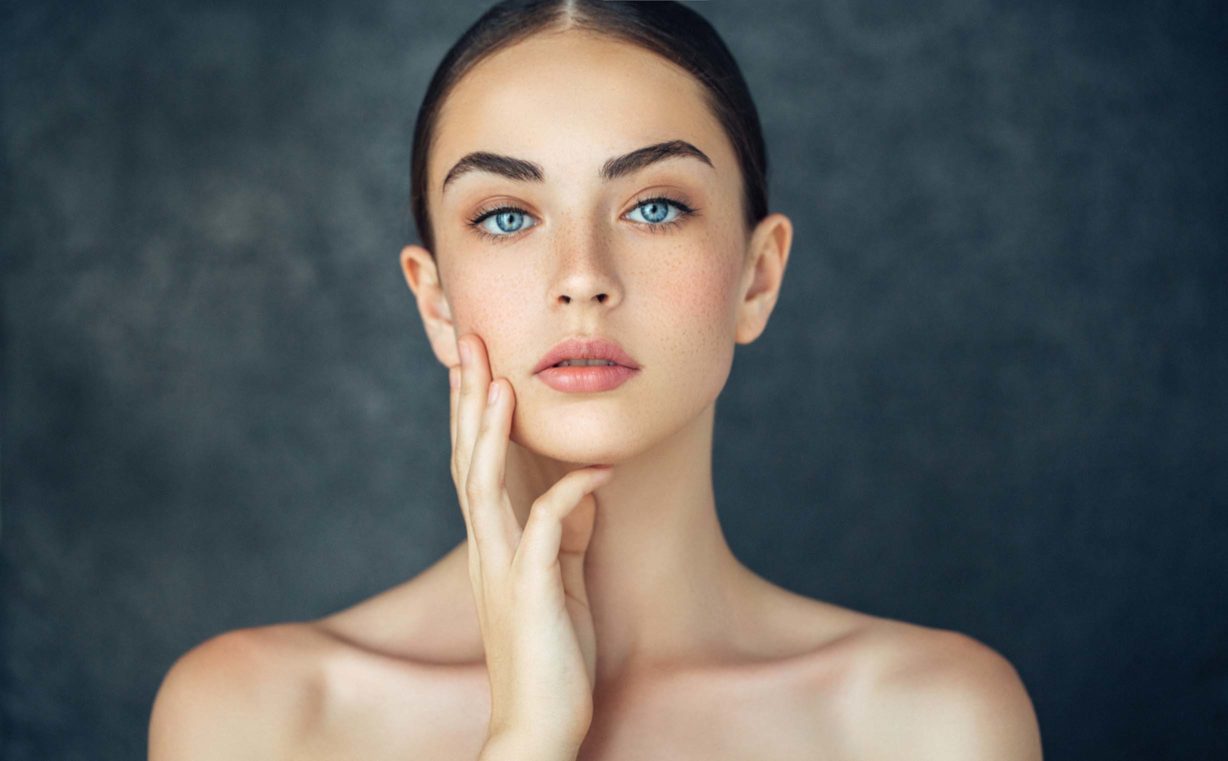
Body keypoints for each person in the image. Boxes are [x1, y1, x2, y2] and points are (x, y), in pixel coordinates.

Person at [148, 1, 1043, 759]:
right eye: (506, 215)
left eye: (655, 206)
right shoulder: (258, 718)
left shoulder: (927, 722)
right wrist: (525, 739)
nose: (582, 274)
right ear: (435, 303)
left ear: (757, 277)